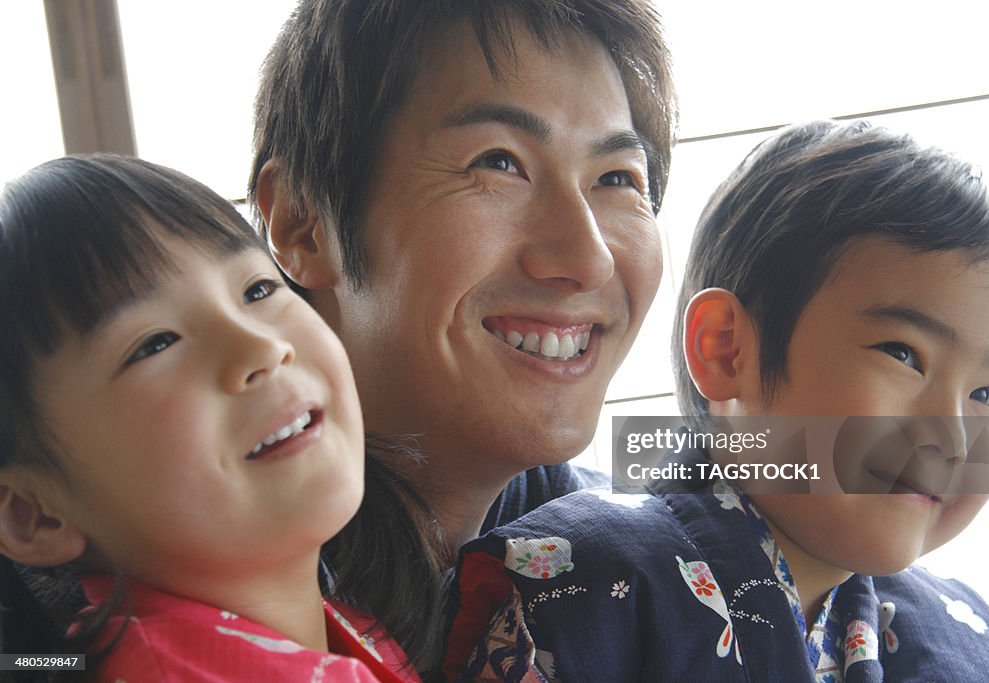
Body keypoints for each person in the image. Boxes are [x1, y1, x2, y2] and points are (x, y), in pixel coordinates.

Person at [444, 120, 989, 681]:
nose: (952, 436)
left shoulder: (967, 640)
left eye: (987, 394)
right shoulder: (585, 584)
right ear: (727, 351)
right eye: (903, 354)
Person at [249, 0, 677, 672]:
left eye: (617, 178)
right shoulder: (160, 600)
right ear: (303, 222)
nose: (588, 257)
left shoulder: (639, 558)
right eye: (499, 163)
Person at [0, 155, 420, 682]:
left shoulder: (346, 624)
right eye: (155, 343)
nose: (261, 347)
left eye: (258, 290)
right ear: (33, 514)